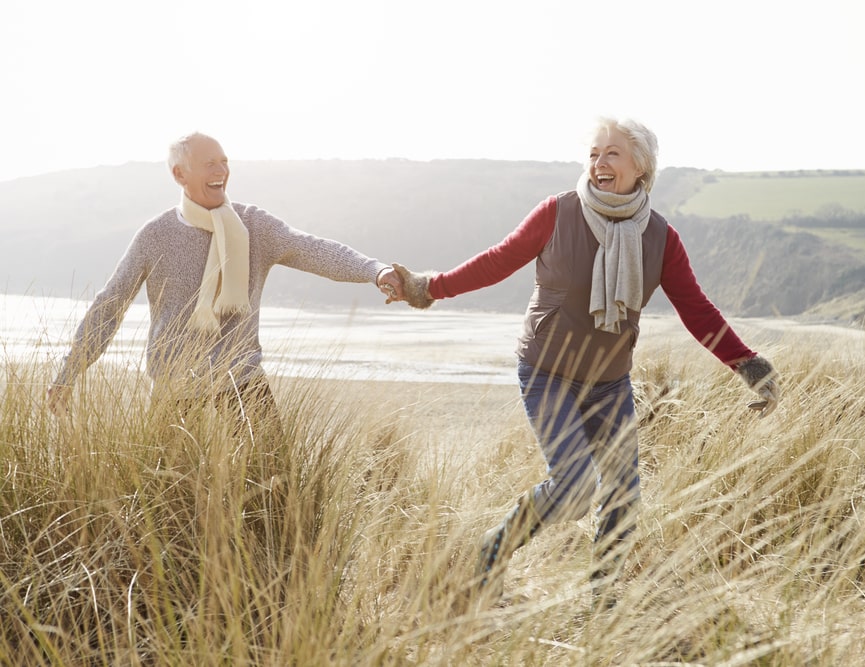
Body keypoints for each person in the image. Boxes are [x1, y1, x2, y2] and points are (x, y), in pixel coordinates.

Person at [388, 117, 780, 607]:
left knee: (623, 494)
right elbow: (499, 260)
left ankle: (603, 601)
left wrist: (750, 366)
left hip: (608, 383)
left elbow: (697, 311)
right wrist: (430, 287)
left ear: (642, 167)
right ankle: (493, 551)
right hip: (546, 372)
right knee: (575, 487)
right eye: (594, 153)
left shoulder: (661, 238)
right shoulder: (557, 213)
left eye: (612, 154)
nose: (599, 163)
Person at [47, 131, 402, 439]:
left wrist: (375, 271)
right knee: (172, 505)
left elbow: (312, 249)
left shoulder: (253, 225)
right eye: (209, 164)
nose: (221, 172)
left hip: (245, 388)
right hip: (175, 394)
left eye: (224, 162)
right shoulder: (155, 236)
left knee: (273, 495)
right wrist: (69, 372)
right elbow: (111, 305)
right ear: (179, 174)